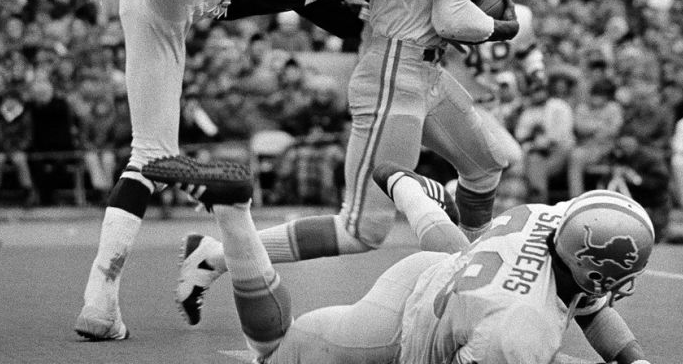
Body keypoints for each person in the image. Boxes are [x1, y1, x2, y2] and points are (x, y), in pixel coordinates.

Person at [0, 0, 490, 341]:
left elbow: (353, 23)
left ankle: (101, 303)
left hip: (175, 6)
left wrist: (427, 36)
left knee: (149, 155)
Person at [174, 0, 526, 326]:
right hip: (394, 72)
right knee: (362, 227)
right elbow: (449, 17)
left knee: (484, 166)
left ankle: (475, 277)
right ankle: (218, 254)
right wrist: (500, 26)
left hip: (424, 69)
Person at [141, 153, 657, 364]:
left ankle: (409, 189)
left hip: (450, 277)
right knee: (279, 351)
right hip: (404, 324)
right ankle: (234, 215)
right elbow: (515, 334)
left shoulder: (555, 217)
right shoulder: (522, 327)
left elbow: (586, 301)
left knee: (461, 247)